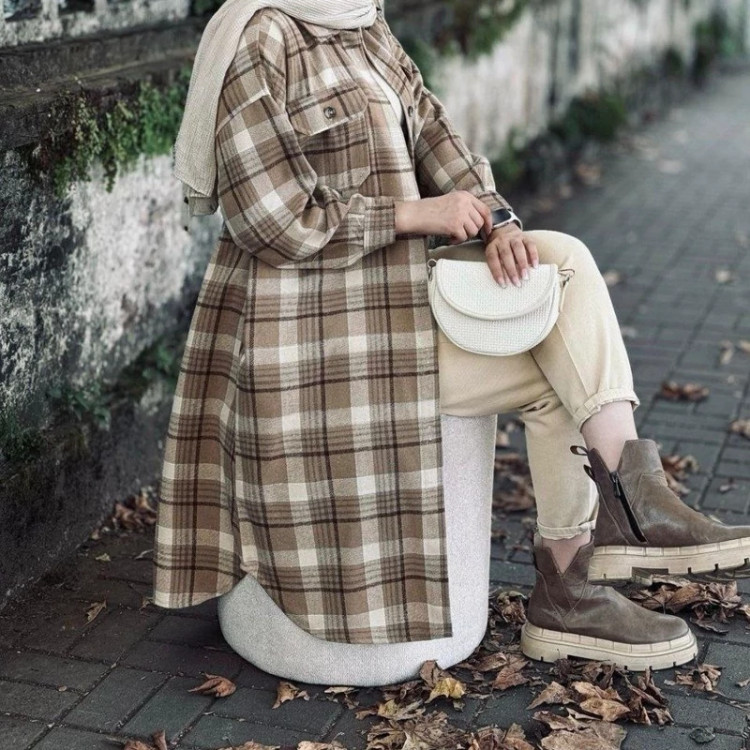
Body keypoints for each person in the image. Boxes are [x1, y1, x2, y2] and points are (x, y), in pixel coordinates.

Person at [153, 0, 750, 670]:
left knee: (563, 268)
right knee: (556, 369)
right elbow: (271, 217)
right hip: (309, 336)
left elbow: (436, 134)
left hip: (392, 308)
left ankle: (603, 543)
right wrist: (416, 214)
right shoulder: (264, 35)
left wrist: (499, 223)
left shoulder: (360, 21)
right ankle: (605, 549)